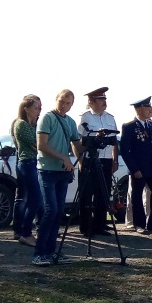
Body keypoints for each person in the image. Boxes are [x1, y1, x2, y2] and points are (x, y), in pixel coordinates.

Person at [35, 89, 83, 265]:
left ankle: (52, 251)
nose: (64, 105)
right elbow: (41, 145)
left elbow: (76, 143)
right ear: (56, 100)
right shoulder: (47, 118)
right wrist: (63, 157)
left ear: (72, 104)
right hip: (47, 170)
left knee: (59, 211)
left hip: (63, 172)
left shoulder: (70, 121)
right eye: (61, 101)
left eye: (68, 103)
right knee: (51, 210)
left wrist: (84, 156)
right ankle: (39, 253)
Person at [77, 87, 119, 237]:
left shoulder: (110, 118)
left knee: (103, 193)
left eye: (105, 99)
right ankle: (86, 227)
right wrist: (80, 159)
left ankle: (99, 225)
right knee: (87, 195)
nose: (104, 102)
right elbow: (77, 141)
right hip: (90, 159)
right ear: (92, 102)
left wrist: (115, 159)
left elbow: (114, 142)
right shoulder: (86, 117)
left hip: (106, 160)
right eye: (101, 99)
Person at [120, 97, 152, 233]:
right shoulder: (129, 126)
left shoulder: (151, 125)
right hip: (139, 168)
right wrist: (134, 169)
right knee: (137, 196)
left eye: (150, 107)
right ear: (139, 110)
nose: (151, 110)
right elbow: (125, 151)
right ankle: (139, 224)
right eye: (147, 108)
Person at [11, 95, 42, 247]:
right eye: (36, 108)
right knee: (34, 198)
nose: (39, 110)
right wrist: (39, 145)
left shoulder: (35, 125)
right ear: (26, 109)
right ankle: (25, 232)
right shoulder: (21, 124)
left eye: (40, 108)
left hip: (34, 163)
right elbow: (38, 144)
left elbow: (40, 144)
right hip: (27, 163)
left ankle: (28, 230)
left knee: (35, 199)